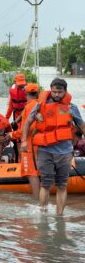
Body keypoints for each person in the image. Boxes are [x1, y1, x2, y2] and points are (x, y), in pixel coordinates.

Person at [21, 78, 85, 215]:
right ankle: (43, 214)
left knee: (62, 185)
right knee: (46, 184)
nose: (56, 94)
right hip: (45, 151)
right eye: (54, 91)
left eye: (59, 92)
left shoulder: (71, 107)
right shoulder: (39, 106)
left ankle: (59, 216)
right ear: (50, 90)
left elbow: (81, 125)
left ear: (65, 92)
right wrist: (24, 141)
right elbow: (27, 122)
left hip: (65, 152)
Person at [6, 83, 40, 199]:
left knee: (31, 173)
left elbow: (25, 129)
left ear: (26, 95)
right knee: (38, 171)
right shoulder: (40, 105)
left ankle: (37, 202)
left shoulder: (30, 107)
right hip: (40, 143)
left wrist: (11, 134)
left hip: (30, 145)